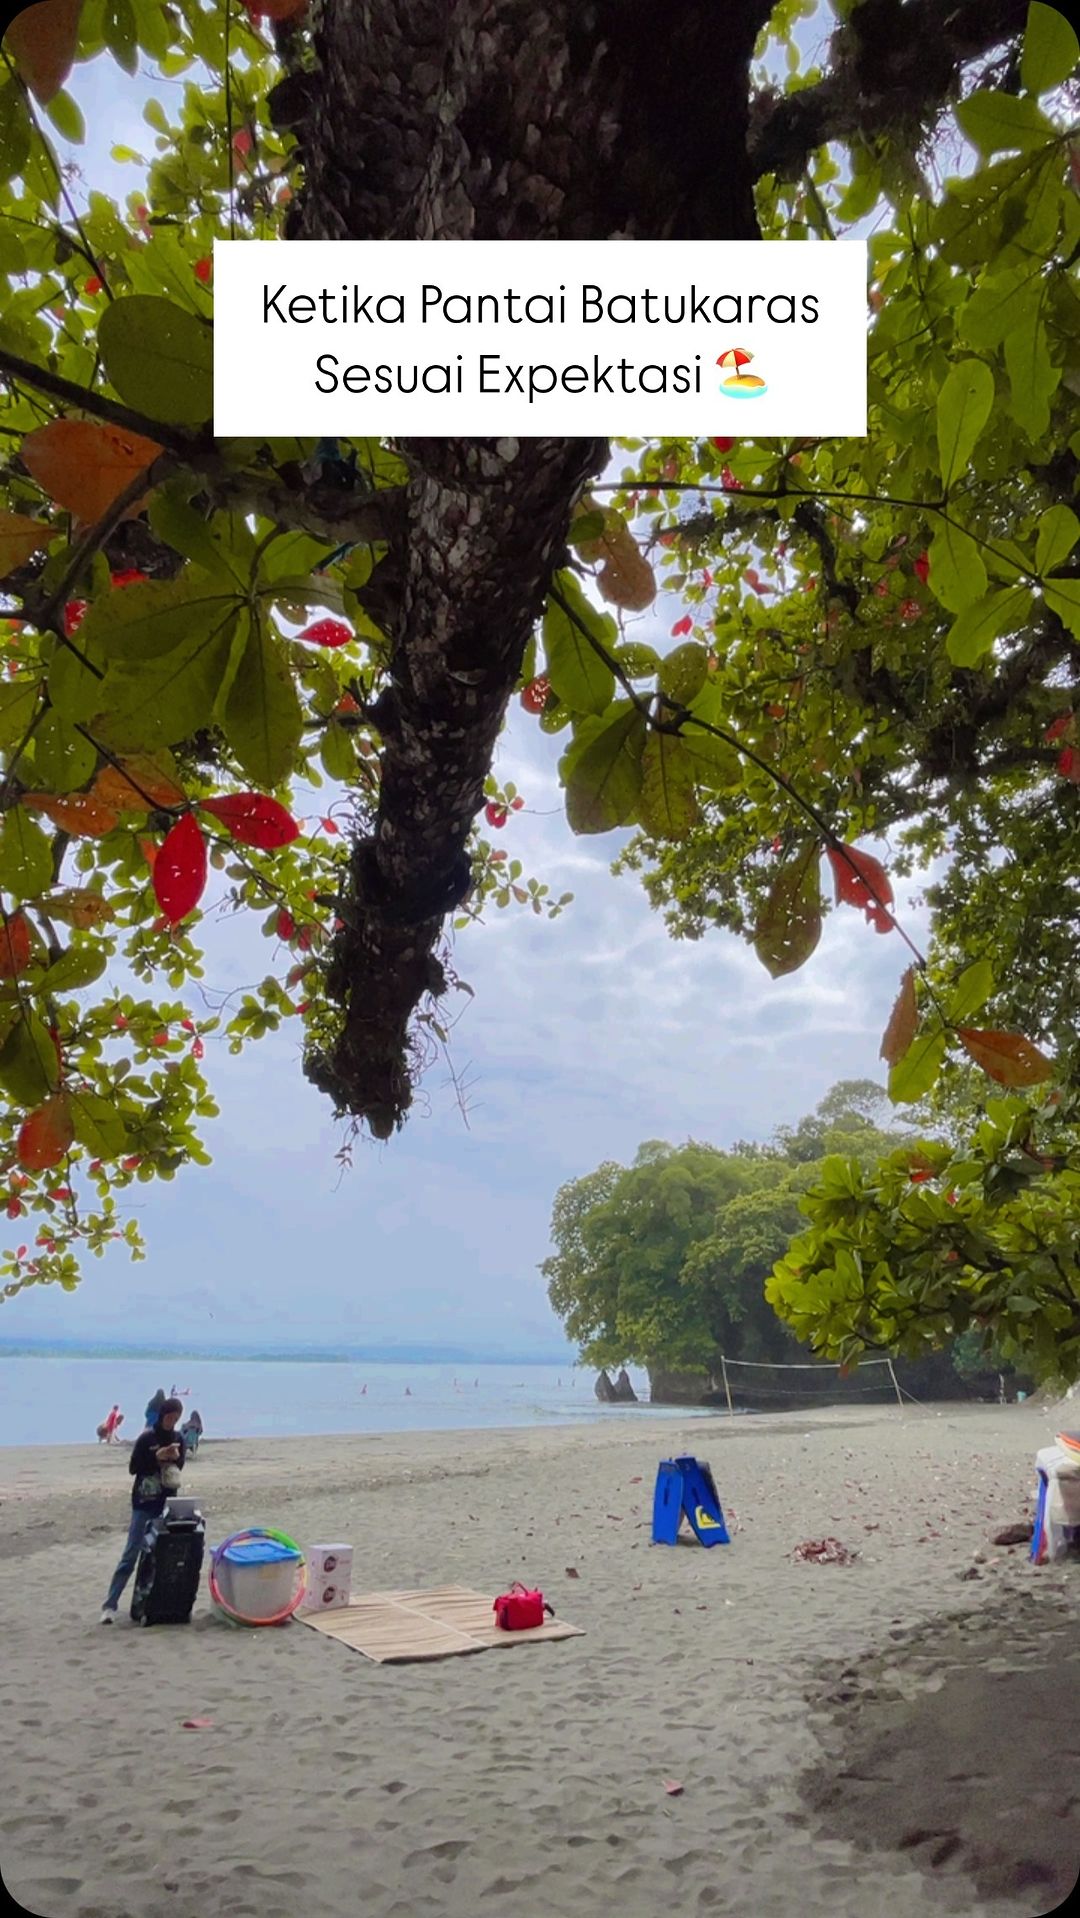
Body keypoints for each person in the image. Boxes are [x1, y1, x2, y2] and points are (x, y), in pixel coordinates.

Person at [100, 1396, 186, 1623]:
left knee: (157, 1558)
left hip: (165, 1503)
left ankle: (148, 1605)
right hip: (143, 1503)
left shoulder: (178, 1438)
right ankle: (110, 1605)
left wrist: (174, 1459)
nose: (172, 1422)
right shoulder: (147, 1437)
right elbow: (133, 1468)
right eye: (169, 1417)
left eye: (176, 1418)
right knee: (131, 1554)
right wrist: (154, 1457)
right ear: (162, 1415)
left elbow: (179, 1467)